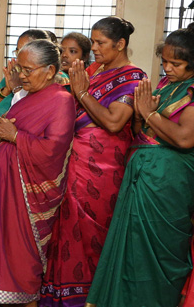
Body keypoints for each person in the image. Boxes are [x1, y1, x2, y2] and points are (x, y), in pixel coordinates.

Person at [0, 39, 76, 306]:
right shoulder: (26, 95)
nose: (21, 75)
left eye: (28, 70)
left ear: (49, 70)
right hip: (3, 180)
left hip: (27, 190)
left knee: (18, 247)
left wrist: (15, 136)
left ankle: (22, 296)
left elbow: (54, 149)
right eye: (20, 68)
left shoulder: (61, 100)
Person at [40, 17, 146, 306]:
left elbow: (113, 122)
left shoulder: (132, 77)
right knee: (67, 223)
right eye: (93, 41)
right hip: (74, 157)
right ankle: (62, 293)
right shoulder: (94, 69)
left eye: (100, 43)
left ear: (120, 44)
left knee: (93, 227)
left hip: (103, 166)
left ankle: (92, 296)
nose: (94, 48)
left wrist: (82, 93)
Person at [87, 24, 194, 307]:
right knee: (130, 248)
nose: (168, 68)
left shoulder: (192, 92)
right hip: (143, 178)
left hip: (168, 185)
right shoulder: (164, 85)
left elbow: (185, 139)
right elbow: (141, 128)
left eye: (177, 63)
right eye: (165, 61)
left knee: (157, 253)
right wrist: (139, 115)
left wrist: (149, 114)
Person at [0, 29, 51, 116]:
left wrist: (17, 89)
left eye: (25, 51)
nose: (19, 58)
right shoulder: (14, 74)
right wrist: (7, 89)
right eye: (18, 52)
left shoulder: (51, 80)